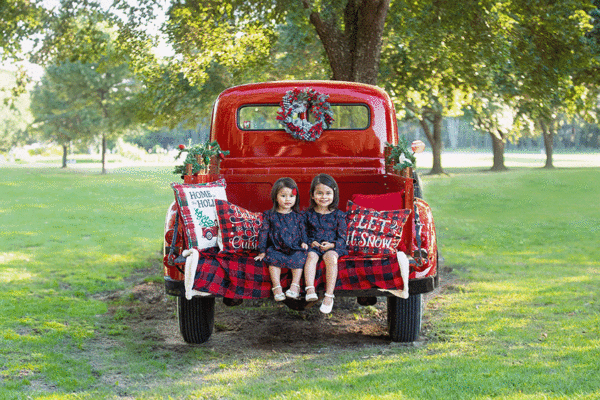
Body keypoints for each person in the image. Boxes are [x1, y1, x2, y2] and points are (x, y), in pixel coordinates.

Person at [255, 177, 308, 301]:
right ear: (276, 197)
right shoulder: (270, 215)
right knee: (272, 257)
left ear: (296, 197)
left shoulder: (298, 216)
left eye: (291, 196)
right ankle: (277, 287)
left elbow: (303, 230)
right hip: (276, 247)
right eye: (283, 196)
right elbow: (264, 232)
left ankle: (295, 286)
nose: (288, 199)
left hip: (294, 247)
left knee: (300, 257)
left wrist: (304, 242)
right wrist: (262, 251)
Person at [303, 173, 347, 314]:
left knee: (331, 258)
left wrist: (332, 245)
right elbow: (303, 234)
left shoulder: (339, 215)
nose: (324, 197)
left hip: (332, 247)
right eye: (319, 193)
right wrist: (311, 242)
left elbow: (343, 237)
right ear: (312, 195)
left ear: (334, 194)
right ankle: (310, 289)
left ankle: (329, 295)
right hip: (314, 246)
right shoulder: (307, 215)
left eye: (328, 193)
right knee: (311, 257)